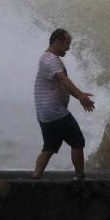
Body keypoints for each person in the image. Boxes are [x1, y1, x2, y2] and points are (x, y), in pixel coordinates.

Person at [31, 28, 95, 180]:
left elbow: (63, 84)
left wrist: (79, 96)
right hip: (55, 112)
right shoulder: (50, 59)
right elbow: (63, 80)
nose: (68, 47)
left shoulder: (48, 58)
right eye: (67, 43)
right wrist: (80, 96)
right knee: (78, 141)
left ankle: (35, 178)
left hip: (45, 114)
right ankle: (79, 177)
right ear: (57, 41)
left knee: (50, 147)